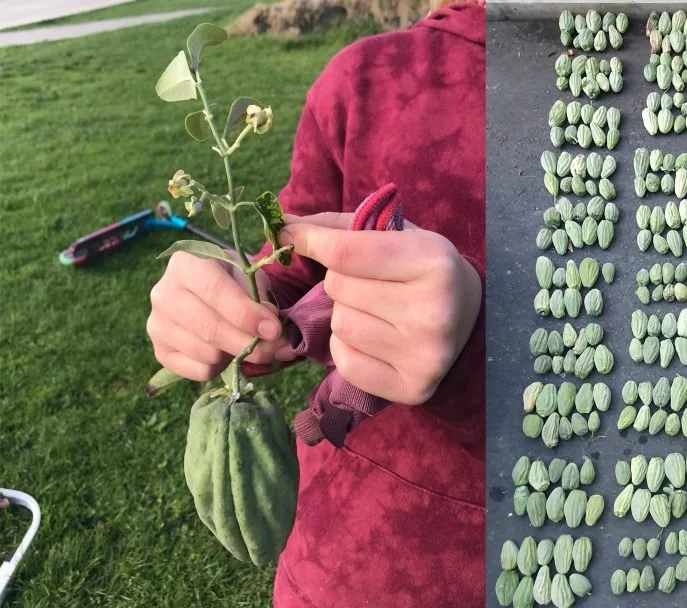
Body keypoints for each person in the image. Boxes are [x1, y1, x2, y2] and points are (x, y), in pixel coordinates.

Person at [145, 1, 486, 605]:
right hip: (335, 568)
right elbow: (292, 257)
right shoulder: (363, 78)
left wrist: (482, 343)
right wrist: (235, 298)